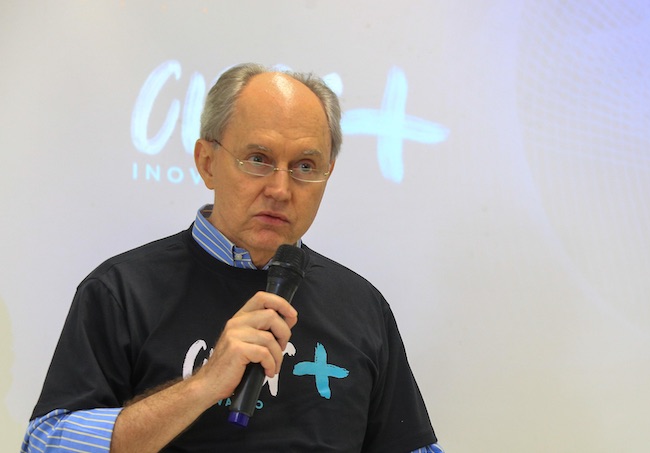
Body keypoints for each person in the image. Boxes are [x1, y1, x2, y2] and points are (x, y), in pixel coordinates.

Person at [22, 63, 441, 452]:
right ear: (207, 163)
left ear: (327, 175)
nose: (280, 189)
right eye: (258, 160)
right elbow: (45, 443)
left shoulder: (362, 307)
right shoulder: (121, 291)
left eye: (304, 166)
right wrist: (203, 385)